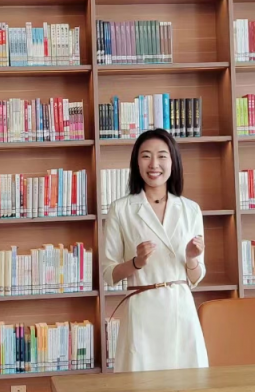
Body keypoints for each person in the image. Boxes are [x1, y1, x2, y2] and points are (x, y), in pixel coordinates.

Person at [101, 128, 208, 373]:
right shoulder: (121, 209)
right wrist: (136, 262)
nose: (154, 164)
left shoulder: (190, 209)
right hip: (142, 309)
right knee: (141, 381)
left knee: (187, 381)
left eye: (162, 156)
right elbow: (109, 274)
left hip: (180, 309)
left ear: (173, 161)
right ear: (136, 162)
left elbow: (196, 277)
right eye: (146, 156)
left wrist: (191, 258)